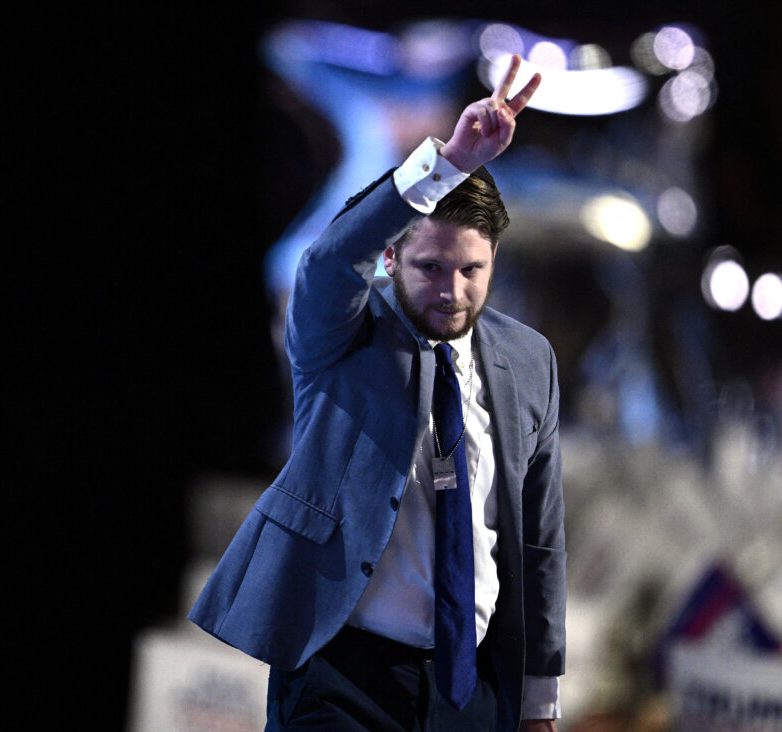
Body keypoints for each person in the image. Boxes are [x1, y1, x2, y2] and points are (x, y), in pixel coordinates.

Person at [190, 55, 563, 732]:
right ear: (391, 258)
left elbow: (538, 541)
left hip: (470, 691)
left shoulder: (529, 361)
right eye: (430, 267)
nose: (451, 290)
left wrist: (538, 701)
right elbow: (331, 259)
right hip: (343, 676)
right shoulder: (340, 333)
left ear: (495, 262)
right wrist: (448, 161)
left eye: (471, 270)